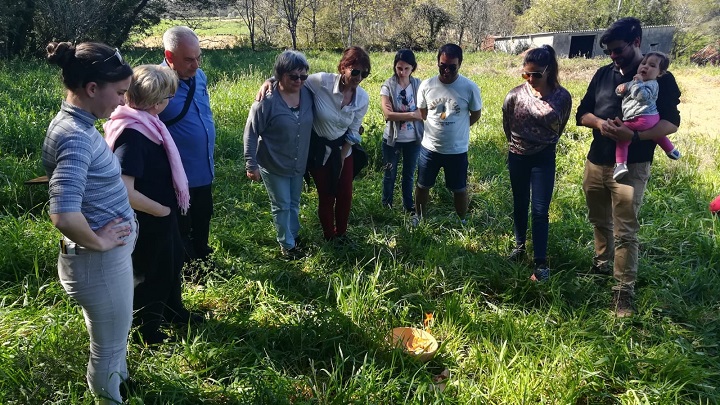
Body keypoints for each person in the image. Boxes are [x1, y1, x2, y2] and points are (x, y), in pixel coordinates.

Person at [42, 41, 136, 404]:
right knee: (108, 348)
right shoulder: (77, 137)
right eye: (119, 93)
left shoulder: (72, 124)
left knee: (111, 338)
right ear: (92, 88)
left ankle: (122, 383)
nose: (122, 102)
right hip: (97, 264)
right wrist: (99, 241)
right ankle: (110, 398)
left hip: (99, 264)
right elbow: (63, 213)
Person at [576, 17, 681, 317]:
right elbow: (583, 112)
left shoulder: (659, 78)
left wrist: (633, 135)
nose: (613, 56)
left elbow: (671, 122)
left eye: (618, 49)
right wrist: (599, 123)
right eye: (609, 51)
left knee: (625, 230)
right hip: (597, 159)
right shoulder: (603, 74)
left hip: (632, 165)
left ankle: (623, 291)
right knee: (598, 218)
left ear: (636, 42)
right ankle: (601, 263)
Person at [104, 65, 204, 346]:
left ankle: (174, 311)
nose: (169, 102)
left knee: (172, 263)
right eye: (168, 97)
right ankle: (147, 332)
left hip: (163, 213)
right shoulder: (133, 134)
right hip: (147, 218)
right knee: (152, 273)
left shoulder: (148, 124)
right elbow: (124, 189)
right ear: (157, 101)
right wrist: (161, 211)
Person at [256, 46, 370, 242]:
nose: (359, 77)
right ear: (343, 67)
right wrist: (271, 81)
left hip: (344, 149)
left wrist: (341, 158)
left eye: (364, 73)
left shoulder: (362, 98)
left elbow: (353, 131)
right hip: (319, 150)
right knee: (326, 195)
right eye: (356, 71)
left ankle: (341, 234)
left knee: (345, 194)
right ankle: (329, 237)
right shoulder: (322, 82)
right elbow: (294, 78)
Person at [502, 45, 572, 281]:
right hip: (518, 155)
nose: (530, 79)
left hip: (544, 157)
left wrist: (542, 143)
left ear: (549, 70)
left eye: (536, 75)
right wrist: (518, 146)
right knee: (519, 203)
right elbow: (507, 125)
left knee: (540, 211)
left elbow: (559, 127)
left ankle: (540, 262)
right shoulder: (514, 95)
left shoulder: (562, 97)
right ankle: (519, 247)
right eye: (526, 74)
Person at [244, 51, 314, 258]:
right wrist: (251, 164)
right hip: (273, 163)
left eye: (303, 76)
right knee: (281, 205)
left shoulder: (308, 93)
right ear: (281, 75)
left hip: (298, 163)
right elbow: (251, 132)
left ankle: (293, 234)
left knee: (293, 202)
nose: (299, 81)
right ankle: (287, 246)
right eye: (294, 76)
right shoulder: (266, 101)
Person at [159, 26, 217, 270]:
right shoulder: (156, 83)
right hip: (176, 176)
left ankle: (203, 258)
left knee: (203, 215)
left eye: (198, 58)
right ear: (169, 56)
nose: (196, 65)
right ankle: (189, 270)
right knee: (182, 224)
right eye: (189, 60)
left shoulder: (199, 77)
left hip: (204, 167)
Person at [414, 43, 482, 225]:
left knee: (459, 188)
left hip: (457, 150)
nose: (447, 70)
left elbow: (475, 114)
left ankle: (462, 220)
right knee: (422, 185)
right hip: (430, 148)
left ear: (460, 64)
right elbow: (422, 112)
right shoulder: (426, 85)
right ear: (437, 62)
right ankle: (418, 217)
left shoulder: (469, 87)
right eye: (443, 65)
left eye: (452, 66)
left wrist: (460, 128)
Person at [613, 51, 681, 180]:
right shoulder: (634, 81)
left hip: (639, 118)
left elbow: (642, 96)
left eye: (652, 66)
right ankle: (671, 150)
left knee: (622, 139)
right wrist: (620, 89)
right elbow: (622, 90)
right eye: (643, 63)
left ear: (660, 73)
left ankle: (621, 165)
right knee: (657, 135)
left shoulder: (652, 84)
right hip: (652, 120)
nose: (645, 67)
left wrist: (637, 82)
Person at [380, 49, 424, 214]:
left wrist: (400, 115)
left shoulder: (419, 85)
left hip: (414, 139)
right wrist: (413, 114)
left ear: (413, 68)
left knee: (409, 175)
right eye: (399, 68)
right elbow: (388, 114)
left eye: (406, 68)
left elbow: (424, 112)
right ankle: (387, 206)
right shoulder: (388, 86)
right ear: (395, 67)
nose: (402, 72)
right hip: (392, 139)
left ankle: (408, 206)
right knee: (389, 174)